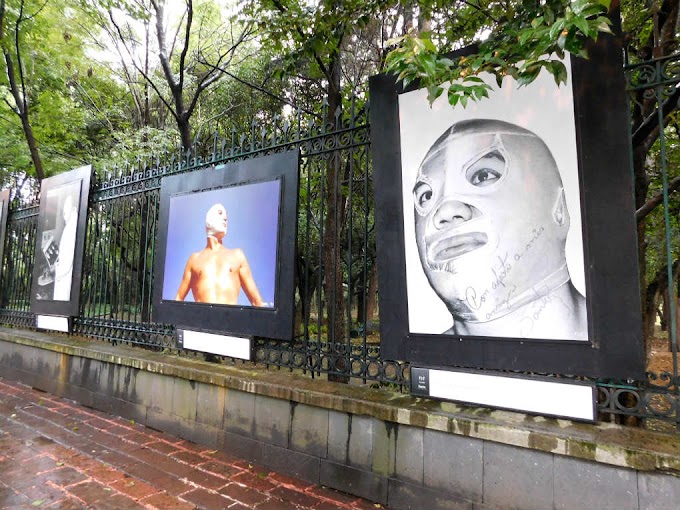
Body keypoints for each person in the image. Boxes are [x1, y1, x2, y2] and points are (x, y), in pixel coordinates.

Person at [412, 119, 587, 340]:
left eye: (483, 176)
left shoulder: (612, 341)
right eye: (426, 196)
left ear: (559, 209)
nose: (445, 211)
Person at [174, 203, 264, 306]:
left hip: (230, 320)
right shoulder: (194, 259)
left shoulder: (237, 256)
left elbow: (257, 302)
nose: (225, 218)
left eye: (226, 217)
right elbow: (178, 299)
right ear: (209, 220)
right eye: (220, 213)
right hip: (201, 320)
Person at [53, 193, 78, 301]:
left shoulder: (71, 227)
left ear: (71, 209)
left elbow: (68, 256)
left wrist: (58, 267)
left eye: (64, 212)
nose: (63, 216)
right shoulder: (70, 226)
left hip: (64, 275)